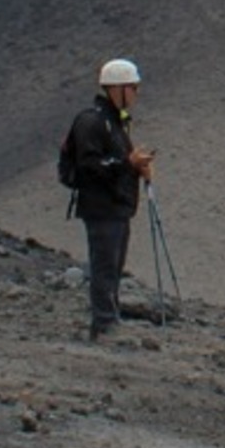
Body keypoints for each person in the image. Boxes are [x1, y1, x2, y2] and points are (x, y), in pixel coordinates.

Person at [66, 58, 156, 340]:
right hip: (101, 207)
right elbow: (90, 167)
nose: (136, 94)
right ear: (117, 89)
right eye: (133, 87)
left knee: (113, 266)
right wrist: (128, 163)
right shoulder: (93, 122)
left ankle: (109, 320)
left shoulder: (114, 122)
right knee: (105, 266)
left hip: (117, 207)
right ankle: (104, 323)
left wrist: (134, 166)